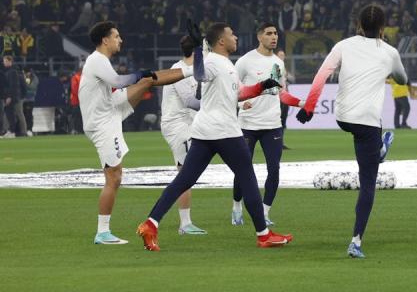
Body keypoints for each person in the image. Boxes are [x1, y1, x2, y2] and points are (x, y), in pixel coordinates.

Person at [137, 22, 293, 251]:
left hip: (204, 130)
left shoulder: (224, 63)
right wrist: (200, 50)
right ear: (221, 40)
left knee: (184, 180)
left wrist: (260, 87)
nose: (236, 37)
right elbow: (200, 74)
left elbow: (238, 93)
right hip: (225, 130)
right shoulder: (211, 61)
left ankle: (150, 224)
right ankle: (263, 234)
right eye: (232, 34)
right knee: (248, 178)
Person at [295, 4, 406, 258]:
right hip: (367, 122)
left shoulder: (342, 45)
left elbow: (322, 75)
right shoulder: (390, 52)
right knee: (368, 183)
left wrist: (310, 107)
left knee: (370, 148)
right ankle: (355, 241)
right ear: (383, 27)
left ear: (358, 24)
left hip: (343, 117)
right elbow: (402, 80)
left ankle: (380, 148)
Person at [80, 21, 196, 245]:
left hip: (110, 108)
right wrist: (139, 74)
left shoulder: (100, 61)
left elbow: (119, 84)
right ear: (105, 40)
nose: (120, 40)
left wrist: (144, 75)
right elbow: (117, 81)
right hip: (103, 121)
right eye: (116, 36)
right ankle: (102, 232)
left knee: (147, 80)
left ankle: (191, 71)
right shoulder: (97, 59)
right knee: (113, 177)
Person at [231, 22, 301, 227]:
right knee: (243, 169)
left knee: (274, 169)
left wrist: (301, 102)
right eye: (269, 33)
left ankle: (264, 212)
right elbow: (233, 88)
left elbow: (281, 93)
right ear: (259, 37)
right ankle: (236, 206)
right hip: (247, 124)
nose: (274, 37)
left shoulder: (278, 64)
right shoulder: (245, 61)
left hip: (272, 124)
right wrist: (242, 103)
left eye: (276, 33)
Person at [160, 35, 206, 235]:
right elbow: (189, 101)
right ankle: (184, 224)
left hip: (189, 124)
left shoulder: (195, 71)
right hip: (176, 125)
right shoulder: (177, 71)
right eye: (205, 50)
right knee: (185, 173)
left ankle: (185, 222)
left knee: (188, 172)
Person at [2, 55, 28, 137]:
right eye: (4, 61)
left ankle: (22, 132)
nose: (4, 63)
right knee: (11, 114)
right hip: (16, 96)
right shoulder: (12, 71)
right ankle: (10, 131)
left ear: (10, 61)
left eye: (6, 61)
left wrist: (12, 96)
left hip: (16, 97)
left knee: (18, 114)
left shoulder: (13, 71)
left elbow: (14, 86)